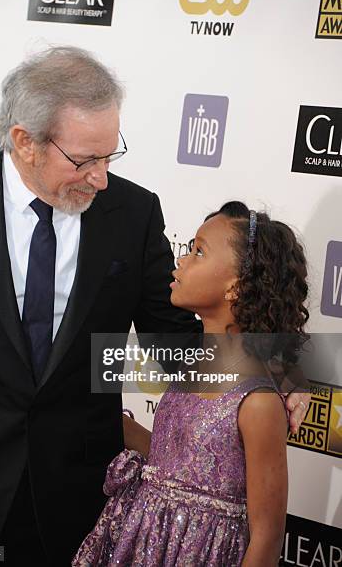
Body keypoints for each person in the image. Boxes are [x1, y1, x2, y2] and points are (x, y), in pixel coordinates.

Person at [0, 46, 309, 566]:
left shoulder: (132, 212)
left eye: (111, 155)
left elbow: (175, 339)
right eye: (86, 159)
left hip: (82, 506)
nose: (102, 178)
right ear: (25, 143)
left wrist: (273, 369)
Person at [72, 201, 310, 566]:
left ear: (236, 286)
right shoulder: (192, 367)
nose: (181, 261)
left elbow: (267, 536)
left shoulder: (257, 401)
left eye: (198, 252)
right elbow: (179, 460)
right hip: (143, 545)